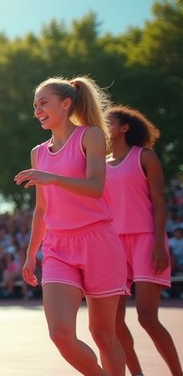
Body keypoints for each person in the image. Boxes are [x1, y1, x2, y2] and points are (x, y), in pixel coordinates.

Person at [15, 76, 128, 376]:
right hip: (58, 248)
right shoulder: (38, 152)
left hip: (98, 242)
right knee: (60, 334)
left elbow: (94, 187)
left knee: (104, 334)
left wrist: (52, 178)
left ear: (66, 104)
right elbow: (41, 208)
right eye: (35, 105)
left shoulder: (89, 136)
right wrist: (31, 254)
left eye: (43, 103)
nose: (37, 109)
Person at [105, 105, 182, 376]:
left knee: (147, 317)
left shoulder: (145, 156)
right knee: (113, 323)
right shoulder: (99, 165)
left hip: (146, 240)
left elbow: (160, 203)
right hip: (113, 244)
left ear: (125, 127)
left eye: (109, 121)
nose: (104, 126)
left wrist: (160, 244)